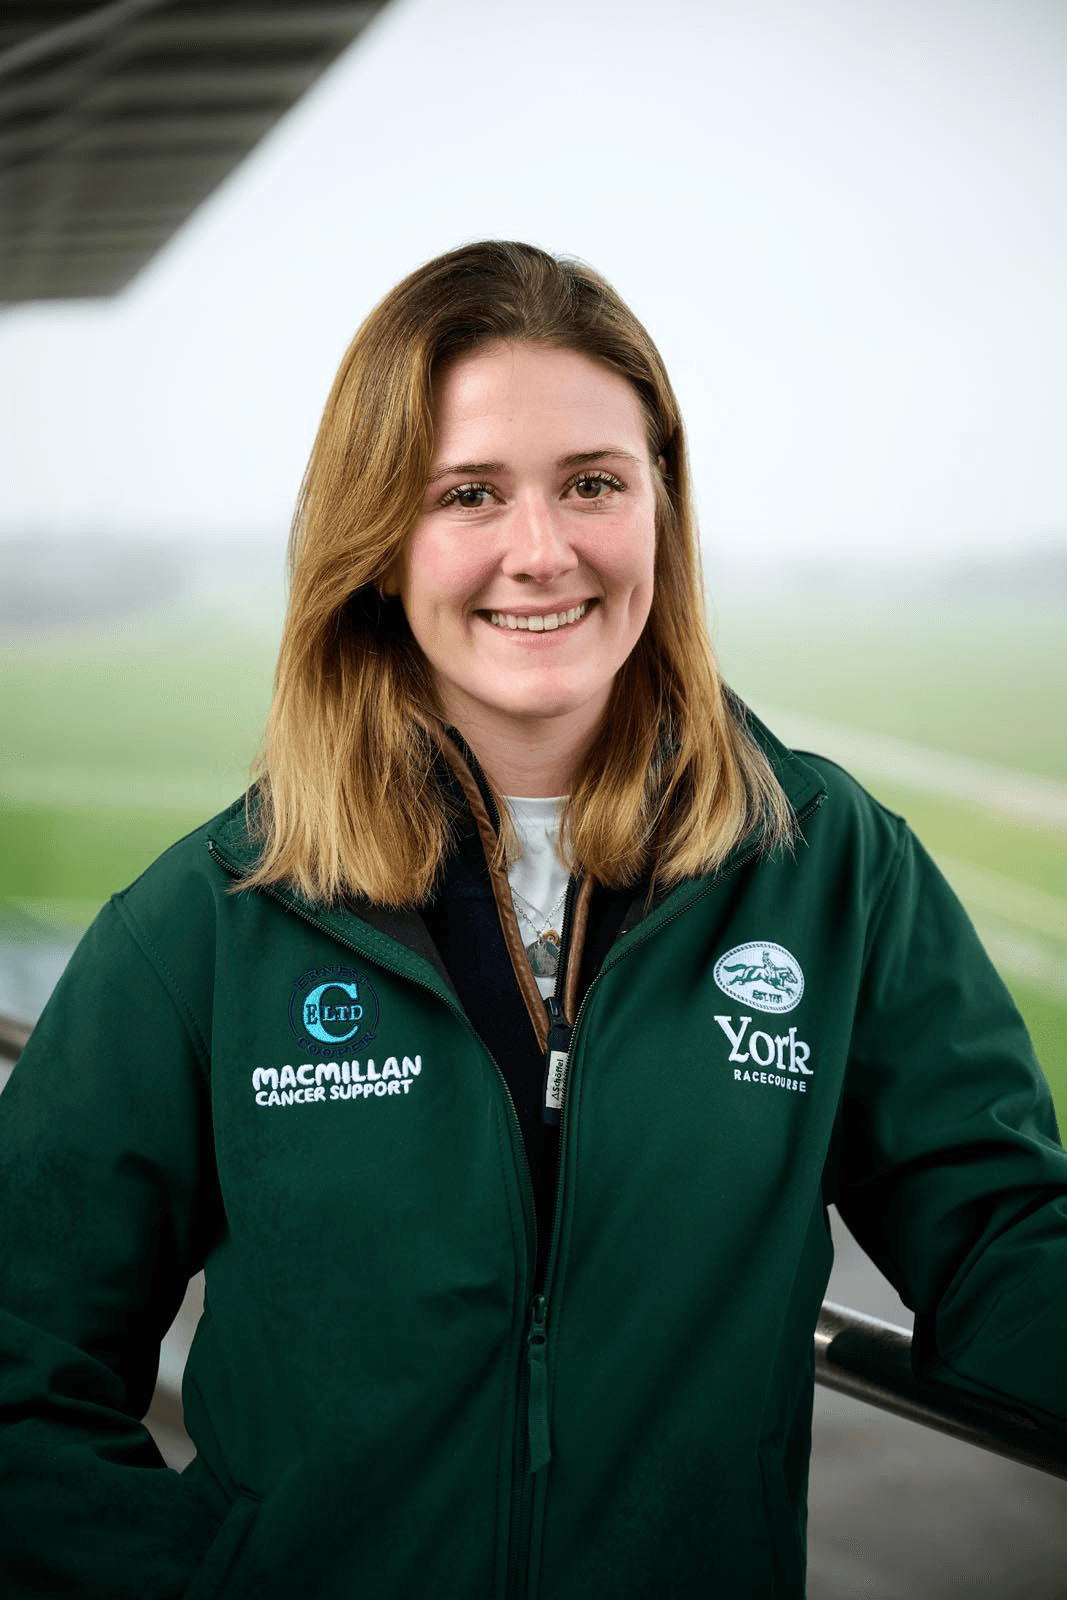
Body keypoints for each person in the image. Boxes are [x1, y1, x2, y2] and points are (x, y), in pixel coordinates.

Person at [1, 239, 1065, 1600]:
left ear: (660, 509)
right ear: (379, 539)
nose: (540, 550)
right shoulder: (211, 921)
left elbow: (998, 1236)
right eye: (468, 494)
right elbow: (20, 1372)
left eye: (592, 484)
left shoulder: (828, 865)